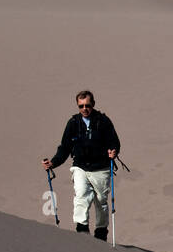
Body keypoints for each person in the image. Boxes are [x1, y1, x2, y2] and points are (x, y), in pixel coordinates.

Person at [41, 90, 121, 240]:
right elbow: (64, 147)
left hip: (101, 167)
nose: (85, 109)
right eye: (81, 106)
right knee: (81, 194)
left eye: (88, 105)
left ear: (93, 105)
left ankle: (101, 234)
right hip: (80, 166)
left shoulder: (103, 121)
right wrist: (53, 163)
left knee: (101, 200)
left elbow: (114, 141)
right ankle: (82, 232)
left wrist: (113, 152)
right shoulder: (73, 123)